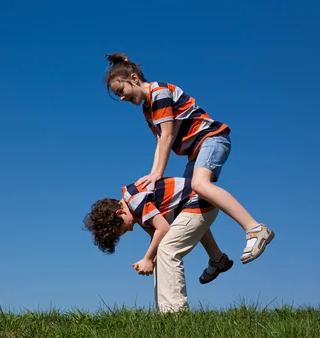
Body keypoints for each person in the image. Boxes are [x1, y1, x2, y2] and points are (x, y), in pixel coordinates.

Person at [103, 53, 274, 264]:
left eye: (121, 91)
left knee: (199, 185)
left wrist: (158, 172)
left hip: (211, 138)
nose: (122, 97)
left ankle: (254, 228)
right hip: (196, 152)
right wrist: (152, 174)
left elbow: (167, 136)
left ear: (134, 79)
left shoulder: (160, 93)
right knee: (188, 204)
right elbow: (160, 142)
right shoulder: (148, 110)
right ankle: (217, 259)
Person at [84, 177, 232, 312]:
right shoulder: (133, 207)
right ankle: (217, 259)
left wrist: (147, 258)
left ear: (119, 213)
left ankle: (175, 312)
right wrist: (152, 257)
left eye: (123, 228)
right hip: (194, 203)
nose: (129, 230)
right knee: (161, 252)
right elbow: (157, 235)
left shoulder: (136, 202)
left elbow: (163, 229)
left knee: (168, 250)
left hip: (201, 199)